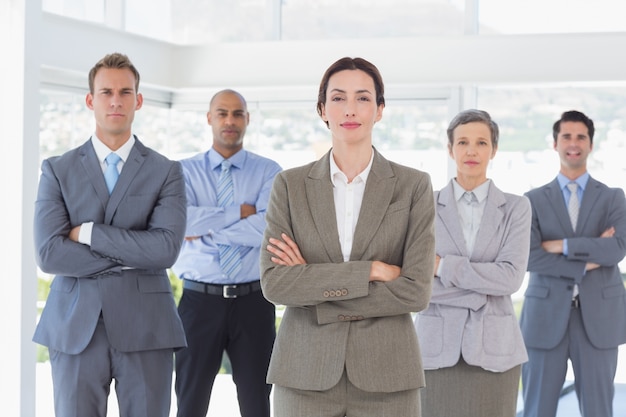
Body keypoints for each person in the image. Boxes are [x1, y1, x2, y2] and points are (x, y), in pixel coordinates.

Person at [260, 56, 435, 417]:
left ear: (380, 110)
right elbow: (276, 285)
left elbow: (416, 291)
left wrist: (312, 284)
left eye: (363, 98)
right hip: (303, 373)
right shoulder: (290, 186)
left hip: (388, 376)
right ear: (322, 109)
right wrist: (370, 270)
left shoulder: (413, 186)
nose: (350, 109)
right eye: (338, 98)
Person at [32, 52, 187, 417]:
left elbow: (165, 249)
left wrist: (88, 232)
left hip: (148, 328)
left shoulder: (167, 172)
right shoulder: (57, 169)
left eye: (125, 92)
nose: (115, 100)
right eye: (106, 92)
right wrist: (133, 255)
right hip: (74, 327)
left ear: (139, 99)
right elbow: (50, 254)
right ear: (91, 100)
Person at [413, 109, 531, 417]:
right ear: (450, 149)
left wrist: (441, 267)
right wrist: (483, 289)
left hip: (496, 352)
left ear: (494, 149)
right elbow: (415, 281)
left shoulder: (517, 208)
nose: (471, 150)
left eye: (481, 142)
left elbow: (510, 279)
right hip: (434, 350)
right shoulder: (423, 204)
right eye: (463, 142)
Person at [172, 89, 281, 417]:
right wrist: (241, 211)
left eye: (237, 114)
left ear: (247, 119)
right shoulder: (182, 172)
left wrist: (205, 230)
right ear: (209, 118)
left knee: (256, 404)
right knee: (190, 404)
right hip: (198, 303)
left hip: (254, 302)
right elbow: (182, 222)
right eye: (222, 113)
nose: (230, 121)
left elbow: (268, 229)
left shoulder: (268, 171)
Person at [520, 110, 626, 417]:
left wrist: (560, 245)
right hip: (544, 319)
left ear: (591, 144)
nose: (573, 143)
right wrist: (586, 260)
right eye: (566, 136)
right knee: (537, 409)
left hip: (599, 320)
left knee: (598, 410)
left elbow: (616, 250)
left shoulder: (613, 198)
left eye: (581, 136)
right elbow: (529, 256)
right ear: (555, 143)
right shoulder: (532, 200)